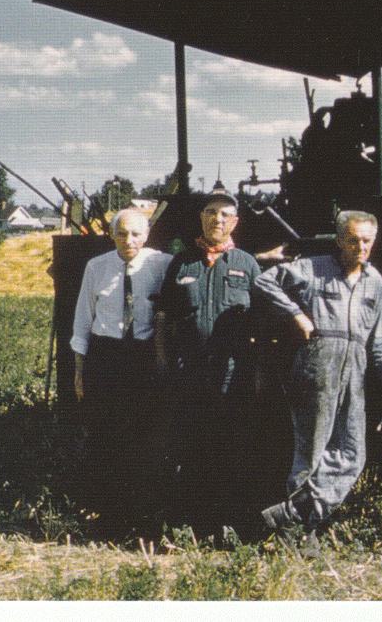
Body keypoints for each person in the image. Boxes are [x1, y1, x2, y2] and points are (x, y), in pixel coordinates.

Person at [256, 211, 382, 555]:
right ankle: (302, 535)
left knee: (352, 453)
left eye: (366, 240)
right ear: (339, 241)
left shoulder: (375, 282)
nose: (360, 247)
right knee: (312, 451)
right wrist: (295, 314)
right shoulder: (313, 267)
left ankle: (290, 514)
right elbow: (264, 281)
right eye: (353, 239)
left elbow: (381, 335)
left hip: (356, 367)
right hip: (318, 361)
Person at [155, 188, 261, 532]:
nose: (218, 219)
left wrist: (255, 369)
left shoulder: (247, 264)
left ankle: (227, 525)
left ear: (235, 221)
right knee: (190, 447)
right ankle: (189, 525)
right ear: (201, 218)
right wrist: (163, 361)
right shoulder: (182, 262)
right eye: (211, 213)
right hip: (190, 374)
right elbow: (163, 318)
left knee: (231, 448)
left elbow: (260, 321)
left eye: (225, 214)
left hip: (232, 376)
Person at [70, 209, 172, 532]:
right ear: (112, 235)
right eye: (122, 233)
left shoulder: (163, 264)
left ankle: (142, 514)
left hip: (143, 357)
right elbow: (83, 320)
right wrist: (79, 371)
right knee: (106, 432)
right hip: (106, 357)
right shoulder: (96, 268)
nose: (129, 241)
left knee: (143, 433)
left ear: (147, 235)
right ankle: (107, 513)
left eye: (136, 234)